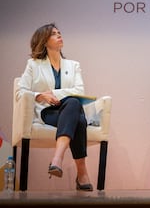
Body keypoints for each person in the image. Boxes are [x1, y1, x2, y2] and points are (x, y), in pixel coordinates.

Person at [16, 23, 93, 191]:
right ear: (44, 41)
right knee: (79, 119)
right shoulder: (33, 64)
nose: (59, 35)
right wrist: (40, 95)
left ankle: (57, 159)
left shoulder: (73, 65)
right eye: (54, 34)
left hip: (68, 109)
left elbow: (79, 90)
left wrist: (54, 92)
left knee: (73, 104)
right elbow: (20, 92)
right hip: (47, 112)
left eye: (60, 33)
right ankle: (82, 173)